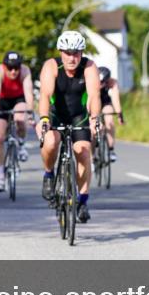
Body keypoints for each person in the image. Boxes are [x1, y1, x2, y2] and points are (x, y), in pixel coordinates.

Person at [35, 31, 102, 223]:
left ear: (81, 53)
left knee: (83, 151)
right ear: (61, 52)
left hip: (78, 116)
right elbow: (46, 95)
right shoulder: (51, 66)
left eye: (76, 53)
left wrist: (95, 118)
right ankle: (49, 174)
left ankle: (83, 200)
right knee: (51, 141)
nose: (72, 58)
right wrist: (45, 118)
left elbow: (95, 95)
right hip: (55, 114)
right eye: (67, 53)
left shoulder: (89, 67)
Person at [0, 51, 35, 192]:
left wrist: (31, 114)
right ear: (4, 66)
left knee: (20, 117)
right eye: (10, 68)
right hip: (2, 101)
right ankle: (1, 177)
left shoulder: (25, 71)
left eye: (16, 68)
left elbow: (28, 94)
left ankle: (21, 144)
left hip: (18, 99)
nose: (13, 71)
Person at [97, 66, 124, 162]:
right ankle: (91, 157)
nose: (100, 84)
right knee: (93, 129)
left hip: (105, 102)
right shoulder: (91, 81)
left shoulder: (112, 83)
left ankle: (111, 149)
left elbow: (115, 99)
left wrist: (119, 114)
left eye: (103, 82)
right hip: (93, 102)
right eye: (99, 82)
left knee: (109, 121)